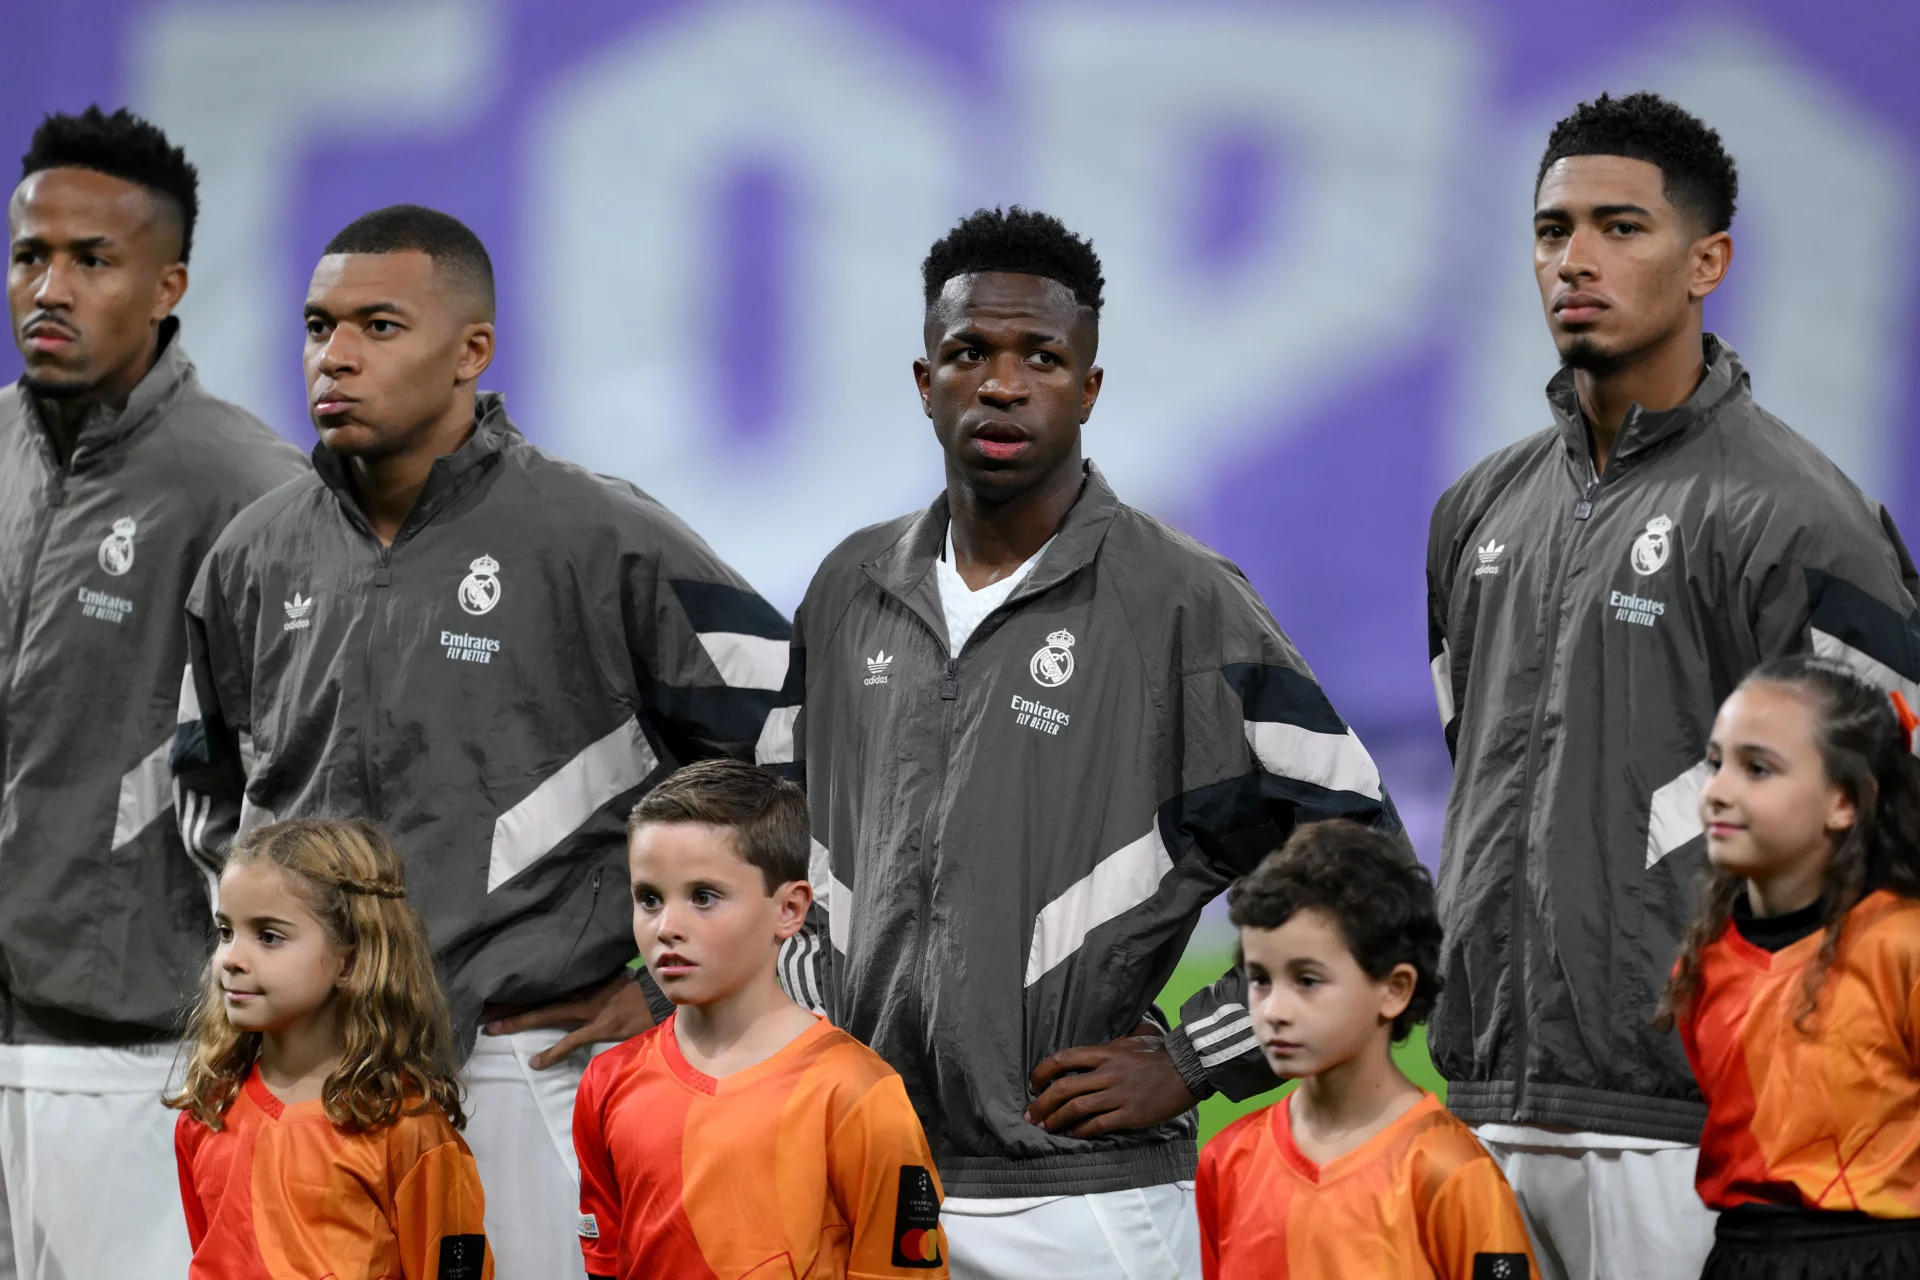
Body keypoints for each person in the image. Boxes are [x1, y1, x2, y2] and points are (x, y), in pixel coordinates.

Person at [763, 206, 1403, 1279]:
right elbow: (765, 848)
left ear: (1089, 390)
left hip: (1079, 1198)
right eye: (970, 352)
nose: (1002, 383)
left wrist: (1203, 1053)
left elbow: (1365, 852)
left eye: (1041, 358)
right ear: (925, 381)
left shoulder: (1181, 602)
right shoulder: (848, 589)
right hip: (855, 1171)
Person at [173, 204, 790, 1279]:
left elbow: (798, 741)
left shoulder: (598, 536)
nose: (337, 357)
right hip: (309, 1076)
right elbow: (210, 792)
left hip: (523, 1067)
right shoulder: (251, 555)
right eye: (319, 327)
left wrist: (665, 985)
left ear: (472, 351)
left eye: (378, 325)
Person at [1426, 90, 1920, 1280]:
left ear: (1709, 261)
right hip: (1484, 1100)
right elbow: (1483, 776)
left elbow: (1894, 826)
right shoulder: (1478, 510)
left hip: (1690, 1122)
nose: (1575, 259)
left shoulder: (1800, 519)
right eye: (1552, 230)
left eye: (1620, 227)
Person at [0, 106, 305, 1279]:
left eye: (93, 259)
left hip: (146, 1047)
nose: (51, 286)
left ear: (169, 282)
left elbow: (320, 768)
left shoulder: (246, 487)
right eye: (31, 254)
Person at [573, 759, 947, 1279]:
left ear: (789, 909)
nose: (667, 927)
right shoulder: (607, 1082)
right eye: (649, 899)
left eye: (704, 896)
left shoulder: (857, 1093)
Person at [1663, 657, 1920, 1277]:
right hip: (1745, 1257)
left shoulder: (1901, 945)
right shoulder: (1703, 961)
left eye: (1758, 768)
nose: (1718, 790)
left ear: (1844, 801)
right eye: (1714, 761)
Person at [1198, 820, 1537, 1279]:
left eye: (1308, 980)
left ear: (1394, 990)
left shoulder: (1448, 1171)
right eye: (1260, 979)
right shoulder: (1226, 1161)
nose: (1274, 1010)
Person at [170, 818, 492, 1279]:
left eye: (268, 936)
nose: (231, 960)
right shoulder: (208, 1113)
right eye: (226, 931)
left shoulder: (406, 1130)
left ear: (351, 958)